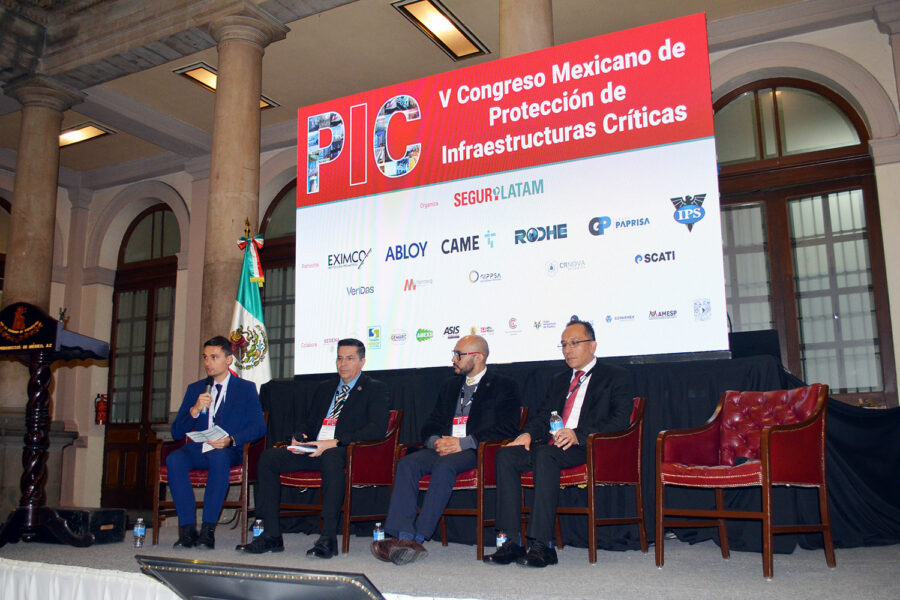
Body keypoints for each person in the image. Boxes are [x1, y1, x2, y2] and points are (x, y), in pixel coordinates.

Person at [484, 319, 633, 567]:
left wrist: (579, 434)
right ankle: (509, 542)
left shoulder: (615, 376)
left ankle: (543, 545)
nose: (568, 350)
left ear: (593, 345)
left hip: (589, 447)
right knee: (506, 456)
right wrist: (527, 434)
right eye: (564, 344)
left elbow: (620, 419)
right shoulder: (558, 379)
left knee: (545, 455)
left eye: (575, 343)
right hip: (553, 447)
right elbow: (543, 416)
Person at [371, 335, 520, 565]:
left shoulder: (504, 385)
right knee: (408, 463)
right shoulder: (450, 386)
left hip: (476, 451)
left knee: (444, 466)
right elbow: (431, 422)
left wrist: (464, 443)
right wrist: (434, 441)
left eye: (459, 354)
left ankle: (417, 538)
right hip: (444, 447)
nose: (454, 359)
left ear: (478, 357)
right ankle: (402, 536)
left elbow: (507, 427)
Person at [238, 338, 389, 558]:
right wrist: (300, 436)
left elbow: (376, 429)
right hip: (314, 448)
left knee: (331, 457)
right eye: (339, 358)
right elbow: (308, 422)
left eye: (349, 358)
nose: (343, 364)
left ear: (362, 361)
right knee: (269, 458)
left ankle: (327, 537)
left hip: (348, 451)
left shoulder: (375, 389)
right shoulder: (325, 388)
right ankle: (271, 535)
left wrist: (336, 442)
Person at [167, 335, 267, 549]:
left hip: (226, 449)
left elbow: (259, 427)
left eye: (214, 357)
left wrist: (231, 440)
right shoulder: (195, 389)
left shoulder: (245, 388)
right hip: (197, 448)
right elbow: (176, 432)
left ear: (229, 359)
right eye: (205, 357)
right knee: (174, 458)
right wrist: (193, 411)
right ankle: (187, 530)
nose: (208, 363)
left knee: (219, 457)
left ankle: (207, 530)